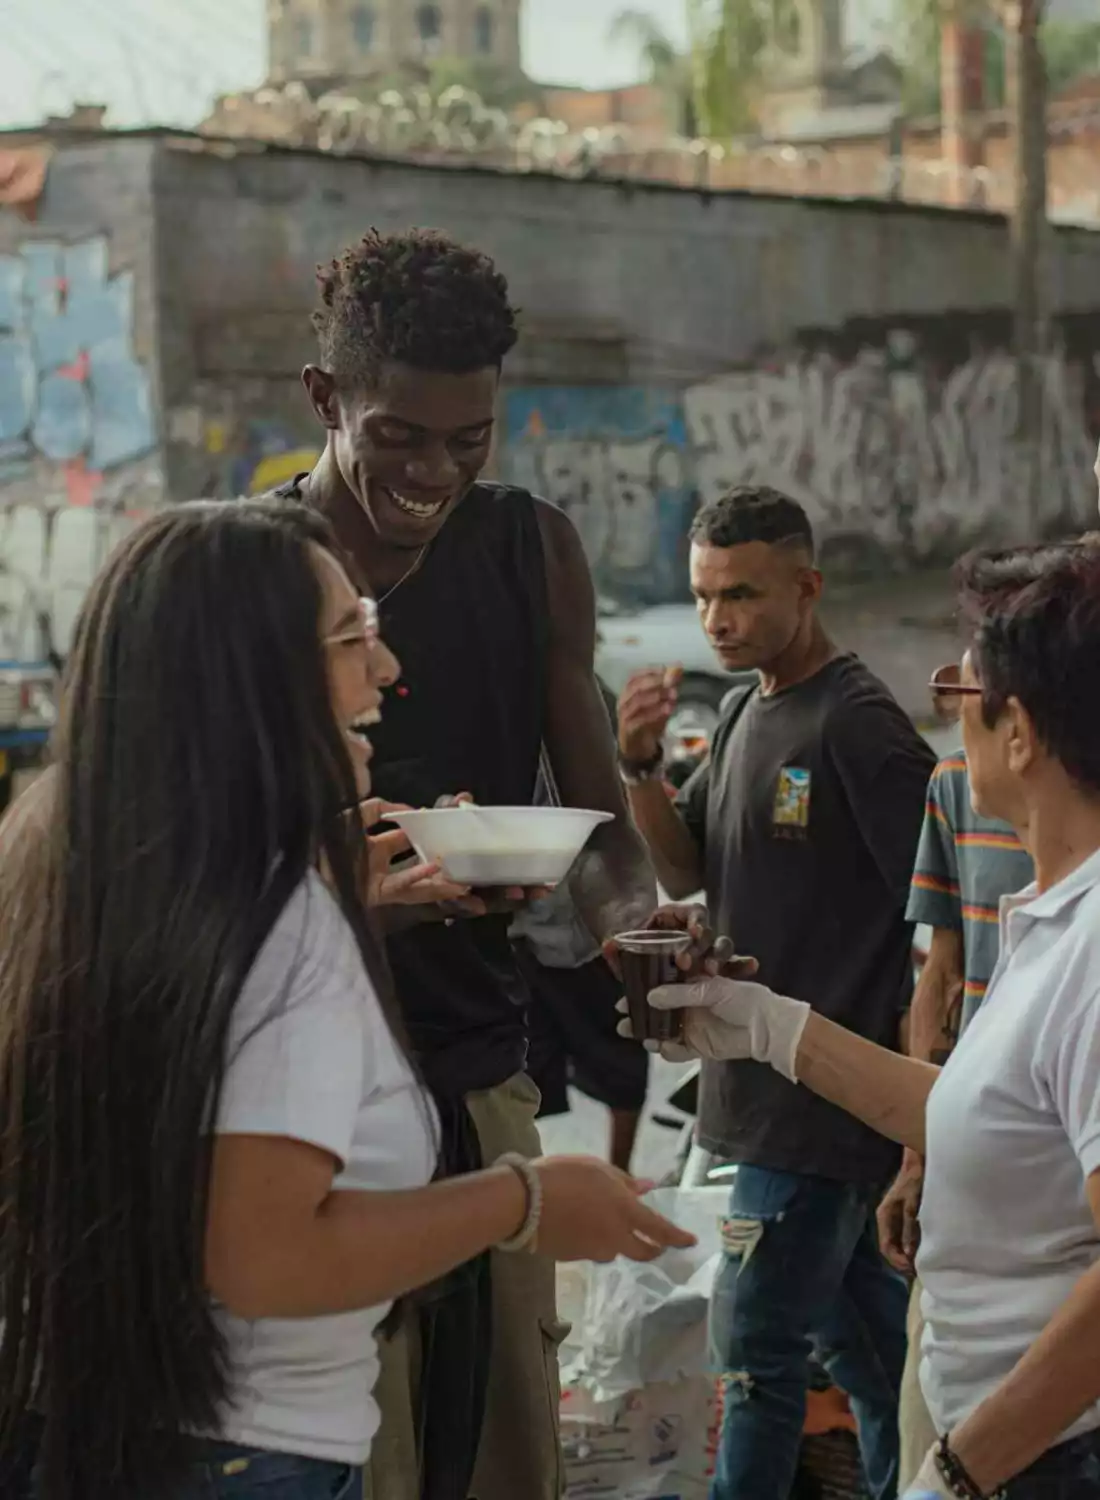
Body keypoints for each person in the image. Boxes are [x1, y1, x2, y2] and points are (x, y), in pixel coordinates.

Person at [0, 500, 695, 1500]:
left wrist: (343, 897)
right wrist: (525, 1199)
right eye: (350, 638)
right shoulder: (281, 925)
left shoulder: (77, 863)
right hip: (245, 1458)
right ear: (250, 680)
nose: (386, 670)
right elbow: (266, 1256)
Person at [268, 227, 658, 1500]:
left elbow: (597, 826)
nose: (433, 474)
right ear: (325, 399)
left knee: (500, 1457)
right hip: (301, 1094)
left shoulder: (528, 550)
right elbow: (195, 872)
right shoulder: (248, 573)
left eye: (467, 440)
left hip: (480, 1070)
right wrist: (369, 899)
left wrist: (645, 937)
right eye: (397, 437)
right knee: (358, 1453)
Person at [638, 539, 1100, 1498]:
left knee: (762, 1353)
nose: (949, 719)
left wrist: (965, 1471)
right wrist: (764, 1026)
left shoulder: (1092, 947)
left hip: (1047, 1460)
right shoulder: (1049, 915)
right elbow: (986, 1112)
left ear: (1020, 732)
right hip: (1009, 1442)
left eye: (959, 693)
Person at [615, 485, 937, 1500]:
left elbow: (943, 917)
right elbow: (683, 866)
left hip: (821, 1110)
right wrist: (637, 765)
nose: (717, 619)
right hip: (752, 1096)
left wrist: (918, 1123)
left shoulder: (858, 724)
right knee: (876, 1363)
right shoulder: (745, 710)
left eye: (743, 595)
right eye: (704, 596)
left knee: (753, 1365)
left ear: (807, 586)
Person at [880, 742, 1033, 1488]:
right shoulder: (954, 783)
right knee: (927, 1429)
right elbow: (943, 973)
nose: (953, 698)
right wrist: (917, 1156)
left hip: (1060, 1189)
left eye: (971, 690)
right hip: (965, 1173)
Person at [515, 677, 647, 1172]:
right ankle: (528, 1180)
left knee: (621, 1062)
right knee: (521, 1068)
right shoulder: (498, 702)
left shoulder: (583, 690)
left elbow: (616, 828)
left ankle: (619, 1173)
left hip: (592, 933)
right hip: (523, 934)